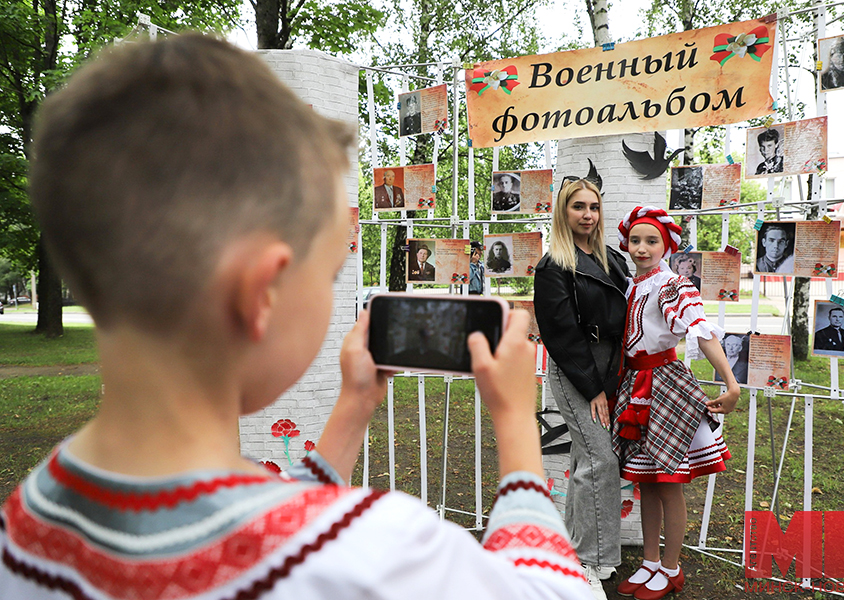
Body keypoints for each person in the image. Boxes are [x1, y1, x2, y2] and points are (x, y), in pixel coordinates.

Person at [1, 35, 594, 600]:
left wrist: (353, 407)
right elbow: (550, 587)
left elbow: (279, 518)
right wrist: (517, 426)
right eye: (334, 269)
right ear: (263, 291)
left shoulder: (25, 525)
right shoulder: (378, 550)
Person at [612, 206, 739, 600]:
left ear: (666, 246)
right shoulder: (631, 286)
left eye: (652, 241)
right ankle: (650, 562)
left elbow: (702, 333)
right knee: (646, 483)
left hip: (664, 385)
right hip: (634, 385)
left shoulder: (673, 286)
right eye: (636, 240)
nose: (642, 248)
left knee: (668, 483)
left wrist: (731, 384)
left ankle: (671, 568)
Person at [534, 178, 630, 600]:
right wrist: (593, 388)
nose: (587, 214)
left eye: (593, 207)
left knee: (586, 459)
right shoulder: (553, 264)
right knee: (600, 460)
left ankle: (576, 551)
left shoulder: (612, 258)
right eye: (578, 207)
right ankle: (587, 562)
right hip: (578, 370)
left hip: (612, 366)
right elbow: (561, 334)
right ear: (563, 212)